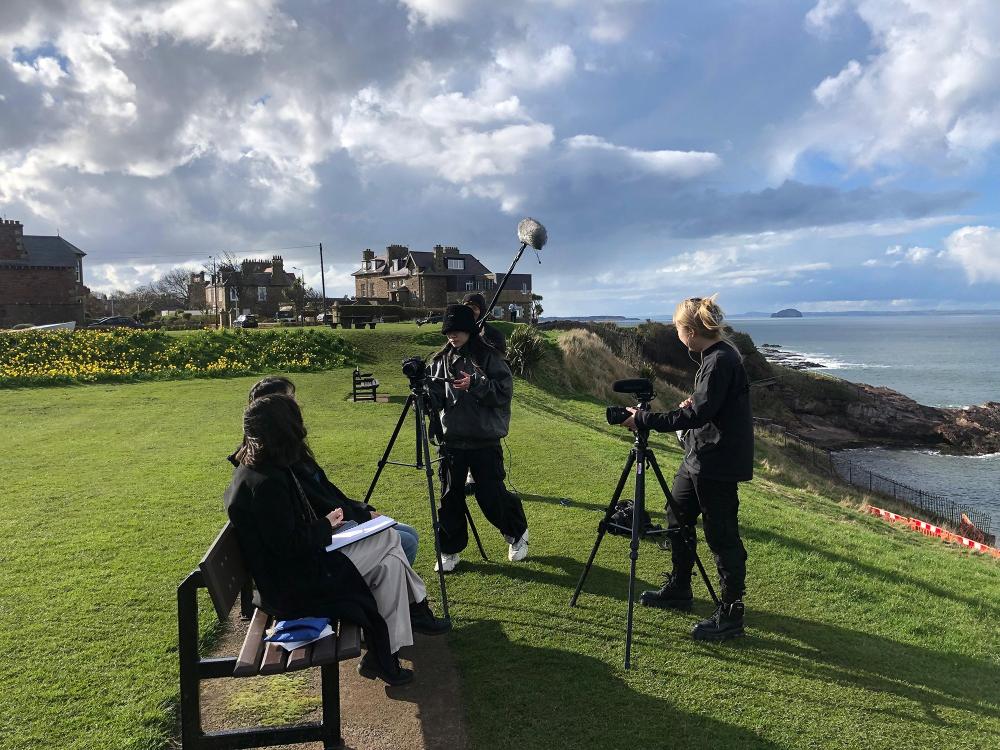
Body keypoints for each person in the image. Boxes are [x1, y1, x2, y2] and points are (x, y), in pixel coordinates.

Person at [224, 394, 450, 688]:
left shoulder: (265, 469)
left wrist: (326, 525)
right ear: (283, 430)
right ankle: (415, 608)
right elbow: (288, 547)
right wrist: (326, 525)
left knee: (389, 564)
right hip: (294, 588)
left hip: (298, 571)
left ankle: (385, 654)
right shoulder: (266, 483)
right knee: (389, 539)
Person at [621, 295, 753, 641]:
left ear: (690, 331)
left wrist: (645, 419)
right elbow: (707, 407)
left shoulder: (720, 360)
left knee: (722, 535)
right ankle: (680, 587)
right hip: (700, 454)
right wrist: (696, 404)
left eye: (678, 327)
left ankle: (731, 613)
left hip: (717, 461)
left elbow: (699, 415)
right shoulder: (715, 357)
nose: (677, 333)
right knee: (676, 515)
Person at [243, 376, 421, 565]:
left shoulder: (288, 450)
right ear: (272, 412)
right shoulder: (276, 465)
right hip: (321, 546)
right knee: (405, 541)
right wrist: (361, 517)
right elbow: (314, 511)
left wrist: (361, 510)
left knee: (409, 533)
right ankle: (374, 591)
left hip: (328, 529)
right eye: (289, 399)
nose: (297, 404)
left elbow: (327, 492)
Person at [428, 304, 529, 571]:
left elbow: (504, 393)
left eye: (458, 331)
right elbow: (437, 397)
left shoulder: (489, 357)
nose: (453, 337)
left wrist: (476, 384)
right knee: (450, 497)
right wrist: (424, 393)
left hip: (485, 439)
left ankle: (517, 532)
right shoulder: (440, 360)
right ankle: (449, 550)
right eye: (449, 332)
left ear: (469, 330)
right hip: (452, 441)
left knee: (490, 495)